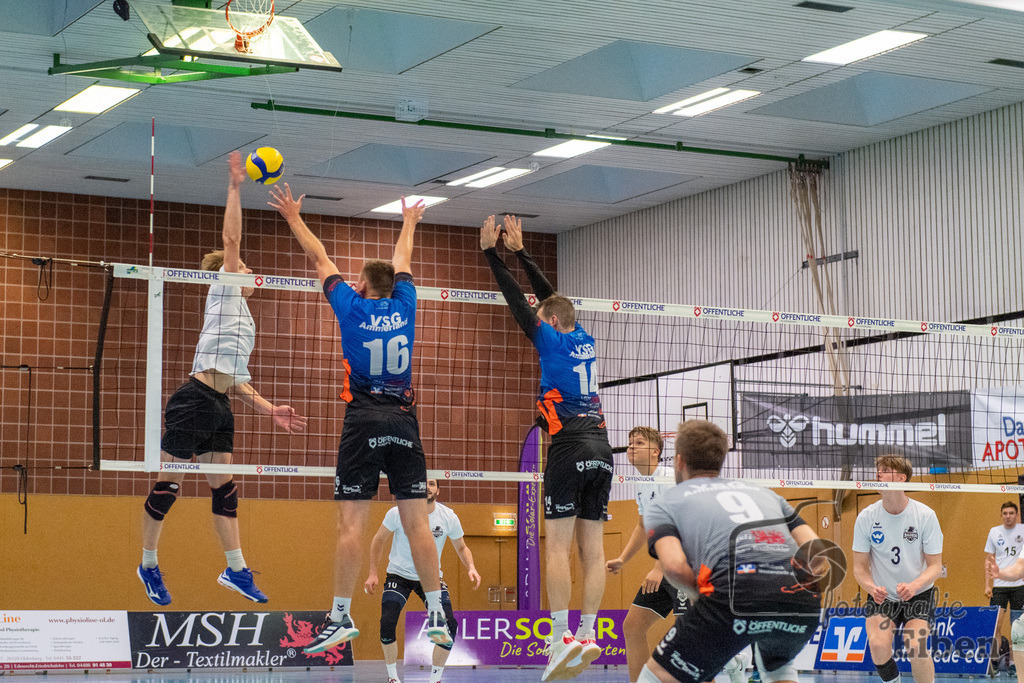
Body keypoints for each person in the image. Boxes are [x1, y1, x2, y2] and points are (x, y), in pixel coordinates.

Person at [269, 184, 451, 653]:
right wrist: (409, 222)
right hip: (405, 423)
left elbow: (320, 258)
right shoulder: (407, 303)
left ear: (364, 287)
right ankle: (436, 612)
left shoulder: (349, 306)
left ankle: (340, 616)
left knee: (351, 525)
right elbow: (403, 259)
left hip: (364, 420)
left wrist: (292, 217)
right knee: (416, 525)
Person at [136, 151, 307, 606]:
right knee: (168, 486)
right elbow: (231, 242)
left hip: (218, 404)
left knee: (226, 491)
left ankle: (236, 571)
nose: (251, 272)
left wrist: (271, 409)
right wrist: (235, 186)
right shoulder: (226, 288)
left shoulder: (244, 320)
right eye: (246, 267)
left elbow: (234, 380)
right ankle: (149, 564)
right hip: (193, 400)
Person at [480, 214, 613, 681]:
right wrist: (522, 253)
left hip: (569, 446)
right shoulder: (585, 339)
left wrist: (491, 255)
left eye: (543, 319)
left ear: (552, 323)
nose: (538, 320)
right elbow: (551, 299)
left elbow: (522, 303)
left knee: (556, 549)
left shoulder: (552, 339)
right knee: (591, 550)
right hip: (603, 447)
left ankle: (559, 640)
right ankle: (589, 632)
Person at [639, 420, 823, 683]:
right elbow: (817, 555)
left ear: (679, 461)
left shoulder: (664, 503)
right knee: (779, 669)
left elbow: (675, 567)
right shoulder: (767, 494)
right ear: (721, 460)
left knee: (655, 676)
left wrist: (705, 602)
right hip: (801, 599)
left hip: (734, 589)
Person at [608, 426, 751, 683]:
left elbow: (683, 525)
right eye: (630, 443)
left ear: (655, 452)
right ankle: (731, 660)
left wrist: (660, 567)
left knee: (692, 639)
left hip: (685, 567)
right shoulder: (641, 483)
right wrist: (623, 558)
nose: (631, 447)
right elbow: (643, 526)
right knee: (632, 627)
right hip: (666, 567)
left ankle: (731, 660)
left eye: (638, 443)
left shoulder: (668, 479)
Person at [364, 478, 481, 683]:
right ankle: (392, 678)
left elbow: (461, 547)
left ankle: (435, 679)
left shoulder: (448, 517)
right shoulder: (399, 512)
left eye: (433, 483)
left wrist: (471, 567)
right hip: (399, 575)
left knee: (450, 625)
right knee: (387, 623)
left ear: (438, 490)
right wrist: (373, 573)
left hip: (430, 576)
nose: (428, 487)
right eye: (424, 483)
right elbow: (378, 540)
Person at [852, 456, 943, 683]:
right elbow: (859, 568)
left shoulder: (925, 515)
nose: (878, 474)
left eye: (885, 470)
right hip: (883, 595)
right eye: (878, 470)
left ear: (902, 478)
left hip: (918, 593)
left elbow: (935, 566)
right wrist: (872, 587)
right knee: (878, 644)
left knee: (916, 647)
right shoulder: (866, 518)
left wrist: (915, 585)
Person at [985, 501, 1024, 672]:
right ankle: (994, 661)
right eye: (1005, 513)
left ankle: (1015, 664)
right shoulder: (994, 532)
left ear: (1017, 514)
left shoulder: (1023, 530)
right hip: (999, 585)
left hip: (1019, 585)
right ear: (1001, 515)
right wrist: (987, 585)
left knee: (1018, 627)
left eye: (1011, 513)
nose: (1008, 516)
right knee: (995, 624)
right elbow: (988, 559)